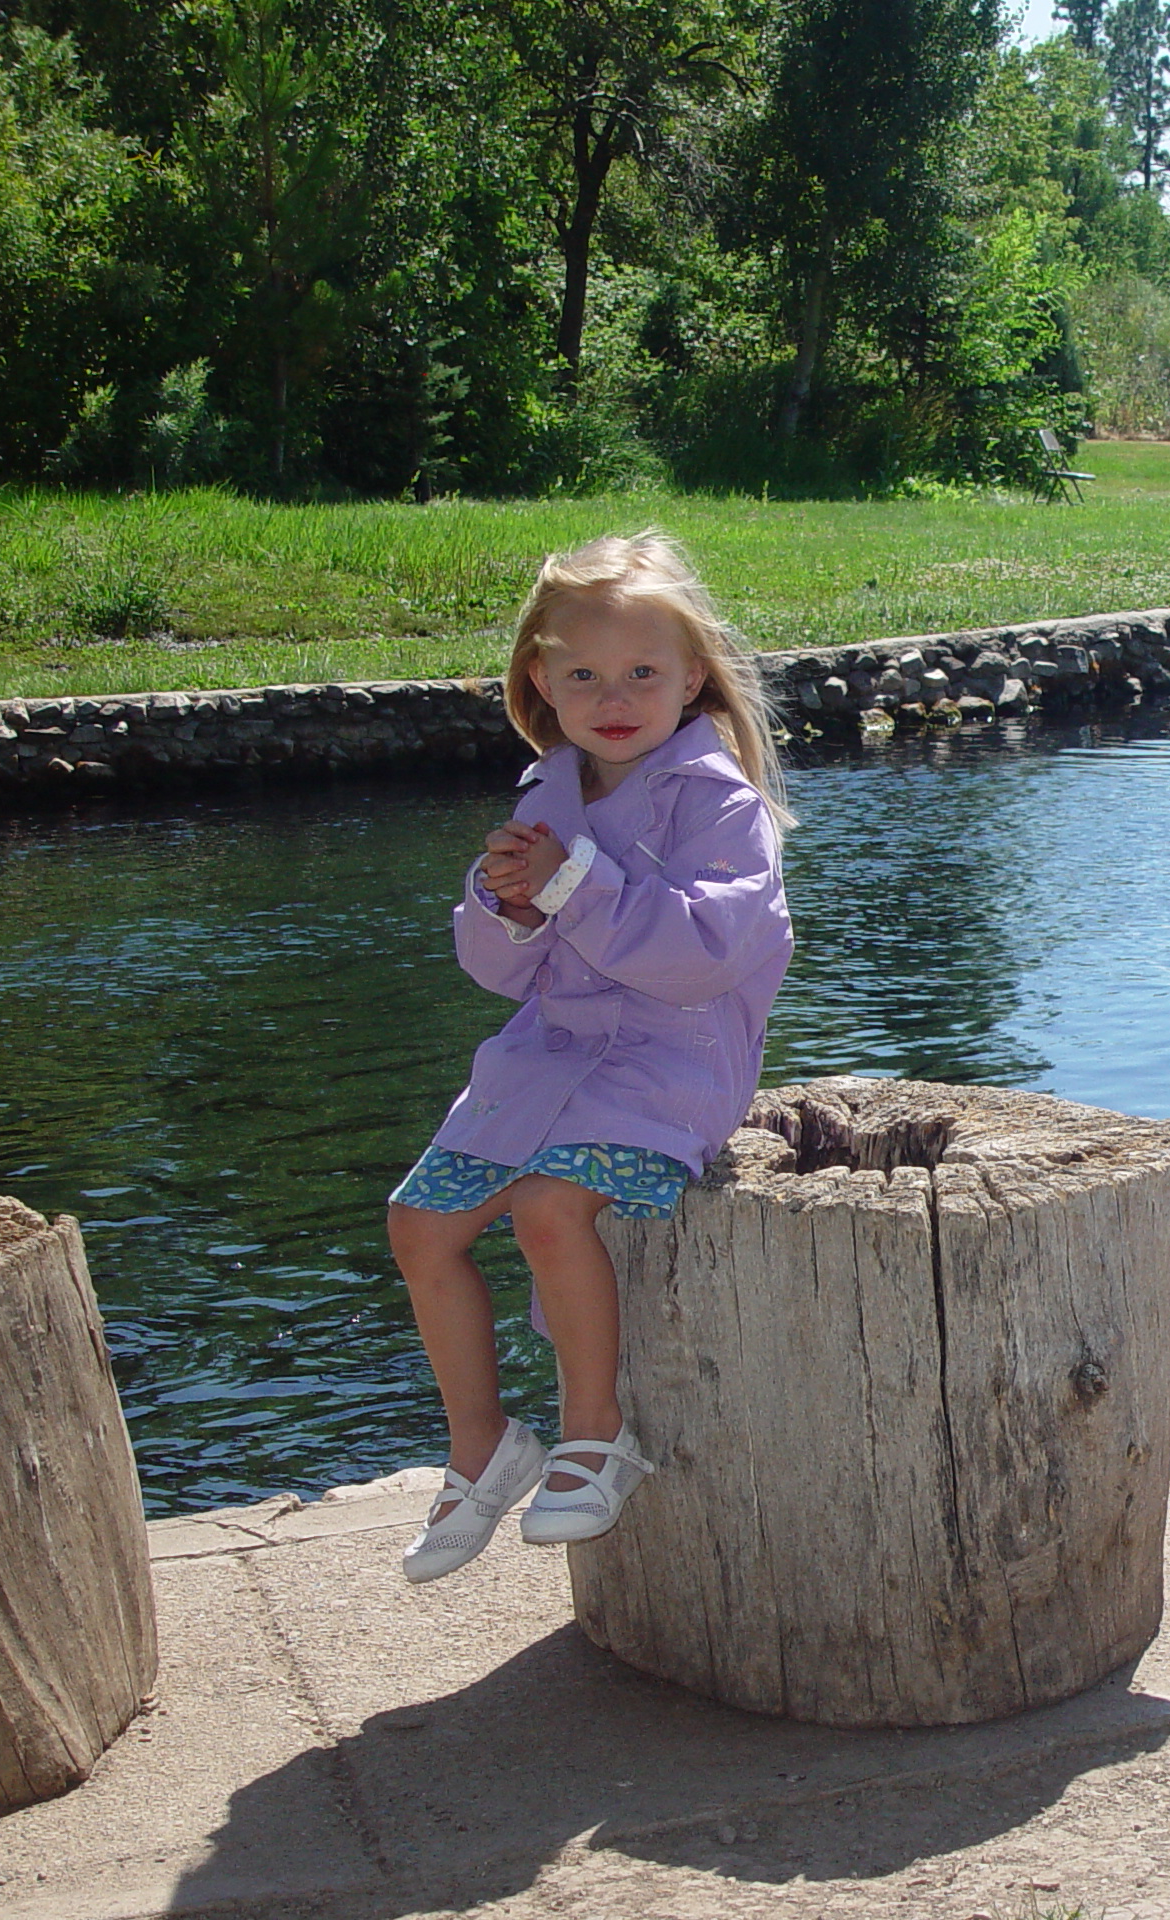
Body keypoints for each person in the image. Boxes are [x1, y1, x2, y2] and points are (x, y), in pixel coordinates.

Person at [387, 531, 796, 1584]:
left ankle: (593, 1430)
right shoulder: (548, 794)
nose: (613, 696)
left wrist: (576, 889)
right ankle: (482, 1442)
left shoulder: (720, 805)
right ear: (540, 678)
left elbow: (710, 955)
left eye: (642, 673)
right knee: (421, 1223)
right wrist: (503, 903)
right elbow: (500, 973)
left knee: (547, 1208)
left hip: (671, 1068)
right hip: (543, 1063)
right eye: (582, 674)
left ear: (693, 676)